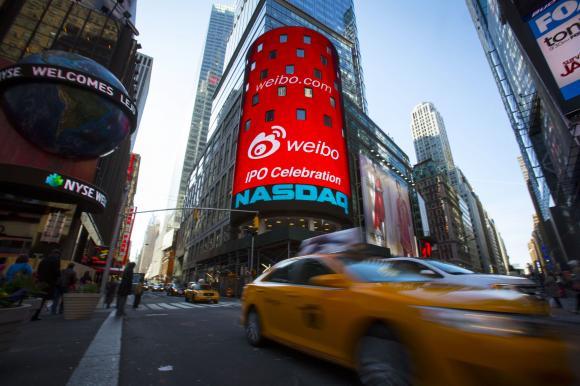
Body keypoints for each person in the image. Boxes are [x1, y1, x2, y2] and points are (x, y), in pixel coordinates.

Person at [31, 250, 61, 321]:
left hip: (41, 281)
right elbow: (56, 272)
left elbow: (39, 269)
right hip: (49, 282)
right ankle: (36, 314)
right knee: (43, 298)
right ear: (58, 255)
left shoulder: (44, 260)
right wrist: (58, 275)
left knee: (38, 297)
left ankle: (33, 313)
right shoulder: (56, 260)